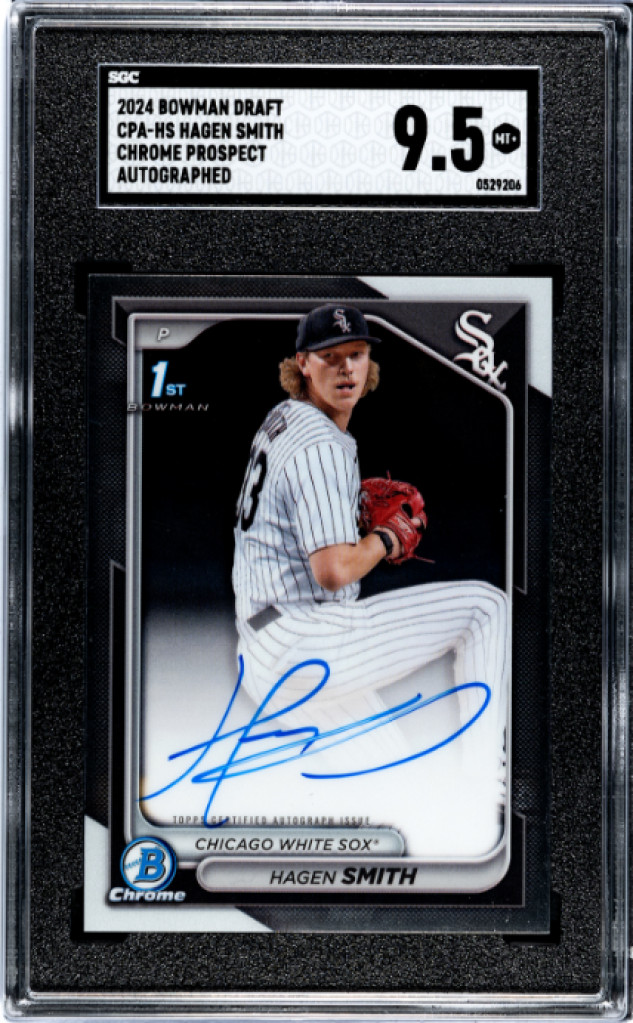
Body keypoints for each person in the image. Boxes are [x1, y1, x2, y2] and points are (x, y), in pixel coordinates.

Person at [232, 304, 508, 830]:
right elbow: (335, 571)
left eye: (356, 355)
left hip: (262, 651)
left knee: (402, 795)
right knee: (486, 608)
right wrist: (385, 537)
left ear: (369, 363)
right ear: (302, 363)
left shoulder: (282, 418)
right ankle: (486, 784)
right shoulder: (321, 444)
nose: (346, 369)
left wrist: (342, 516)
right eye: (329, 357)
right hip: (302, 641)